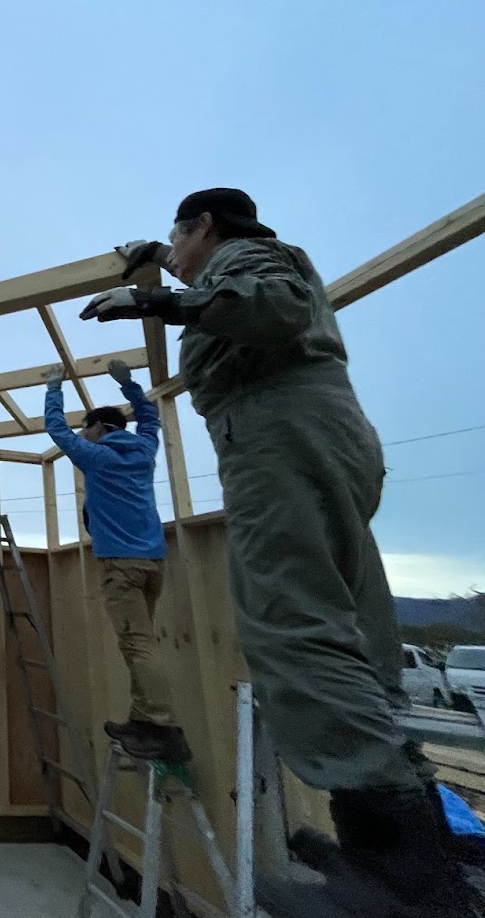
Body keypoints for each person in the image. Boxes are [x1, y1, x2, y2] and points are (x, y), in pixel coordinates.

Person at [79, 188, 480, 917]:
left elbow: (270, 304)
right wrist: (160, 263)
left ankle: (392, 868)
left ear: (205, 226)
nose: (175, 255)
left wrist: (157, 303)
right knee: (352, 629)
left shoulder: (246, 258)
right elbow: (223, 284)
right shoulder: (234, 261)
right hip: (314, 435)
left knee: (291, 622)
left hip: (279, 439)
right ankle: (418, 842)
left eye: (178, 236)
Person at [44, 358, 189, 764]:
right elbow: (149, 418)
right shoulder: (144, 450)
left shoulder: (97, 457)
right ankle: (142, 720)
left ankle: (162, 726)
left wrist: (54, 390)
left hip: (121, 567)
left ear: (100, 428)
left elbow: (57, 431)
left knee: (137, 645)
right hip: (152, 563)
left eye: (86, 428)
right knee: (139, 643)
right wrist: (129, 385)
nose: (82, 435)